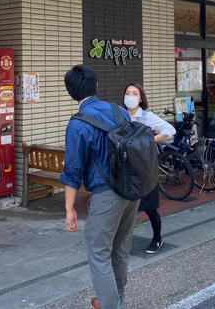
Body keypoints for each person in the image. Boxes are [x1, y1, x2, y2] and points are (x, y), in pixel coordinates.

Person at [61, 65, 139, 309]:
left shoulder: (77, 124)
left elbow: (73, 170)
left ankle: (111, 305)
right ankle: (114, 300)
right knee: (120, 250)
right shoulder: (119, 110)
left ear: (70, 92)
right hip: (131, 189)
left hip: (106, 195)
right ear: (96, 86)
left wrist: (69, 208)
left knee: (99, 254)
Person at [122, 83, 175, 254]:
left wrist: (151, 140)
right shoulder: (120, 115)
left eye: (134, 93)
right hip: (125, 167)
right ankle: (121, 242)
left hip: (145, 167)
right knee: (123, 207)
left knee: (149, 206)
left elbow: (170, 129)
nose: (130, 96)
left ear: (141, 98)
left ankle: (157, 238)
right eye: (127, 93)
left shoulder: (146, 116)